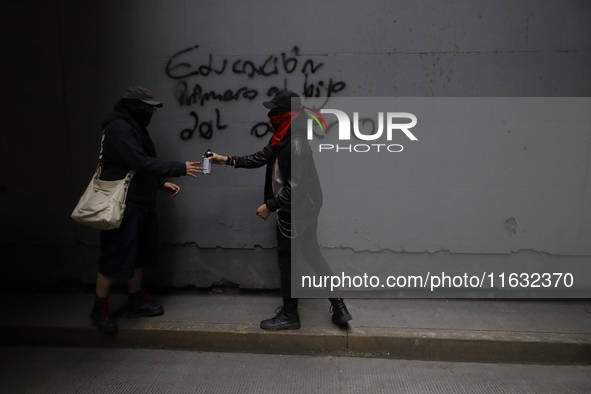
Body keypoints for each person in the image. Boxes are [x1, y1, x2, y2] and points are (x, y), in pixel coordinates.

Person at [209, 90, 352, 330]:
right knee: (311, 255)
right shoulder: (283, 137)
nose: (269, 114)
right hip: (299, 209)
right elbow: (261, 157)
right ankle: (339, 306)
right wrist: (225, 159)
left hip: (295, 211)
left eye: (274, 110)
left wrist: (270, 206)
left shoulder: (295, 143)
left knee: (288, 261)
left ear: (287, 114)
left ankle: (289, 314)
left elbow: (296, 187)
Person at [90, 86, 202, 333]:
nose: (149, 112)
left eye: (151, 108)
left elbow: (139, 166)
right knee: (114, 256)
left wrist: (160, 183)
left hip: (141, 201)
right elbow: (138, 161)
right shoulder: (118, 127)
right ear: (130, 106)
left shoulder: (133, 126)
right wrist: (179, 168)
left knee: (139, 255)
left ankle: (136, 301)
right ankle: (100, 308)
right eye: (144, 108)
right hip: (123, 204)